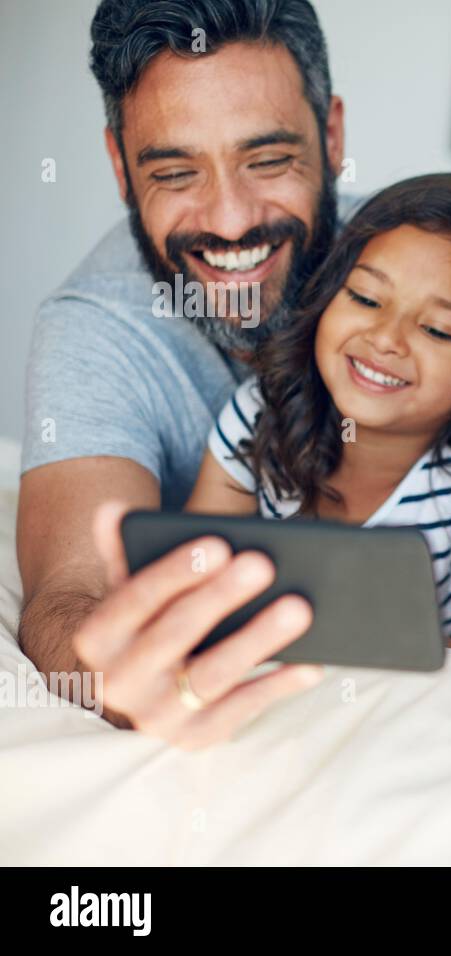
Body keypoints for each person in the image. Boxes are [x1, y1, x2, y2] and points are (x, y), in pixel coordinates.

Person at [18, 0, 356, 746]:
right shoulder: (92, 328)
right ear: (119, 166)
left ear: (331, 136)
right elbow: (70, 594)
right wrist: (118, 674)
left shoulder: (432, 266)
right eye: (175, 172)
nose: (231, 221)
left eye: (268, 160)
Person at [188, 173, 451, 649]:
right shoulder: (259, 412)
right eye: (366, 299)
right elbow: (192, 578)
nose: (386, 339)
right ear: (327, 293)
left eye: (438, 330)